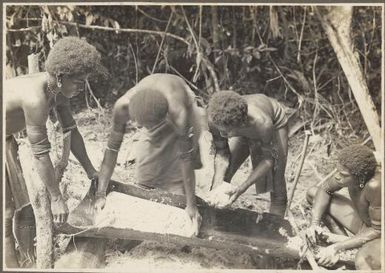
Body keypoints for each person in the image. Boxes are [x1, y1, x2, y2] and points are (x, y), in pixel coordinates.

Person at [4, 36, 105, 267]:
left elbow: (72, 131)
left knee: (25, 206)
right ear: (61, 77)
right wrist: (57, 197)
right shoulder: (35, 97)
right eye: (79, 83)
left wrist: (91, 170)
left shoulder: (57, 91)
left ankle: (27, 260)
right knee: (5, 214)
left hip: (6, 136)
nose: (82, 89)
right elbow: (40, 153)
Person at [94, 73, 203, 236]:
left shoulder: (179, 112)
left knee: (177, 180)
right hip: (153, 110)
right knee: (147, 175)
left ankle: (183, 206)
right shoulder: (122, 106)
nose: (138, 125)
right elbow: (112, 149)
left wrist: (191, 205)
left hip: (183, 103)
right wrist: (101, 193)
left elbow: (185, 159)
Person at [206, 91, 292, 217]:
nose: (222, 136)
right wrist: (216, 189)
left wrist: (242, 188)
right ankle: (214, 221)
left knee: (277, 183)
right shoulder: (214, 119)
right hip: (238, 125)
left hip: (274, 123)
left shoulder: (263, 123)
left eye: (226, 132)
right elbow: (222, 154)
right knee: (224, 176)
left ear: (240, 125)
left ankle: (274, 229)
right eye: (220, 131)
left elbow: (269, 161)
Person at [305, 145, 381, 269]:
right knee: (313, 193)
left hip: (378, 234)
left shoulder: (375, 185)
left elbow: (378, 230)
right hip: (366, 226)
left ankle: (346, 246)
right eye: (337, 171)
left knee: (363, 261)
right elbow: (325, 189)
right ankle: (346, 241)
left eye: (343, 174)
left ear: (360, 177)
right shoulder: (349, 174)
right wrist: (314, 223)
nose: (337, 176)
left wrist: (337, 247)